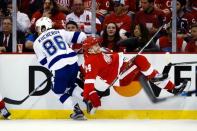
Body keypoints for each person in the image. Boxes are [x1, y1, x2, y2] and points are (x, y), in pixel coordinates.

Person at [81, 36, 188, 114]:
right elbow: (89, 84)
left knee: (148, 73)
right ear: (89, 50)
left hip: (122, 69)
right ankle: (155, 78)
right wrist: (95, 101)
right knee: (139, 59)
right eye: (94, 45)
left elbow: (110, 58)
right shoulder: (91, 61)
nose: (97, 46)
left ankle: (173, 89)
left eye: (97, 44)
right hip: (120, 76)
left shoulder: (97, 52)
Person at [33, 17, 87, 120]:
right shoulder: (59, 32)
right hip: (73, 63)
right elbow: (80, 36)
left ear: (43, 27)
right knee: (70, 86)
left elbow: (43, 62)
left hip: (58, 67)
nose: (37, 30)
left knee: (57, 91)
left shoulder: (36, 43)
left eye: (38, 28)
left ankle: (76, 110)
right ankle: (87, 99)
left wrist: (53, 69)